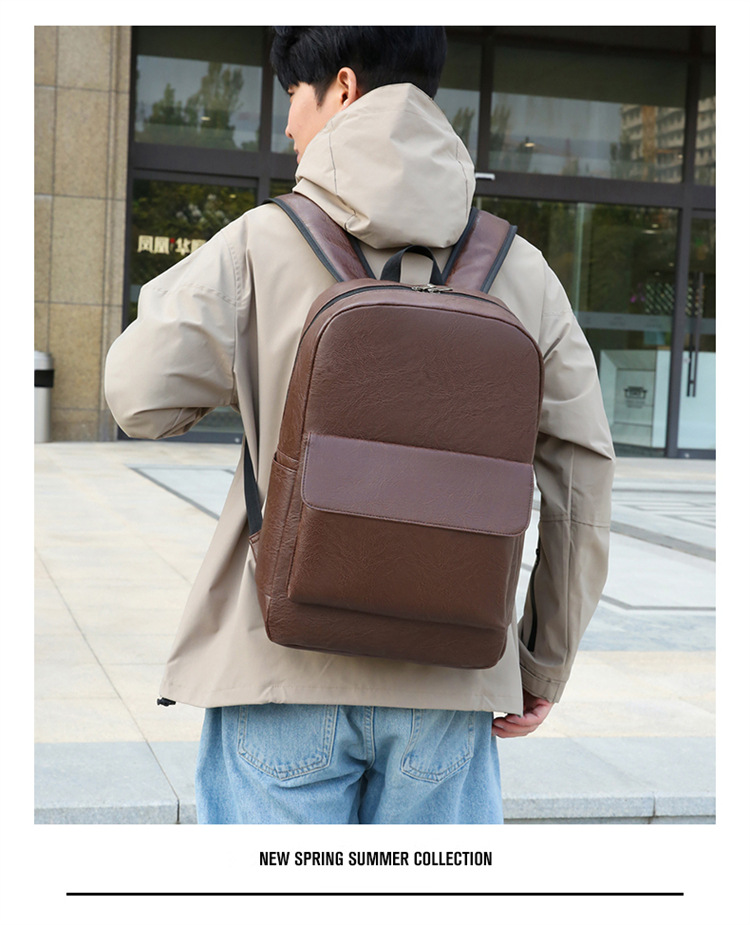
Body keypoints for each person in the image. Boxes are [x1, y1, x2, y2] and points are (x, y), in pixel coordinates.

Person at [105, 26, 614, 825]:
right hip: (450, 682)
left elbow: (135, 395)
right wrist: (542, 659)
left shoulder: (260, 241)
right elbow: (583, 478)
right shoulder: (523, 268)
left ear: (341, 87)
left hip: (278, 666)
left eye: (292, 98)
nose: (287, 125)